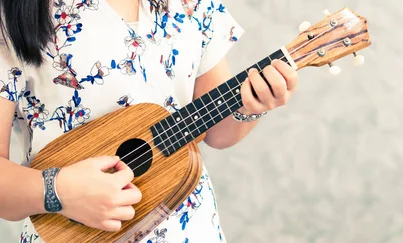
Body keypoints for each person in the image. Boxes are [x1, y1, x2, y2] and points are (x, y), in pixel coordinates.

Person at [0, 0, 298, 242]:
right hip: (72, 235)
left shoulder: (194, 5)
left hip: (190, 229)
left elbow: (216, 133)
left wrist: (254, 104)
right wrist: (57, 191)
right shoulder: (11, 15)